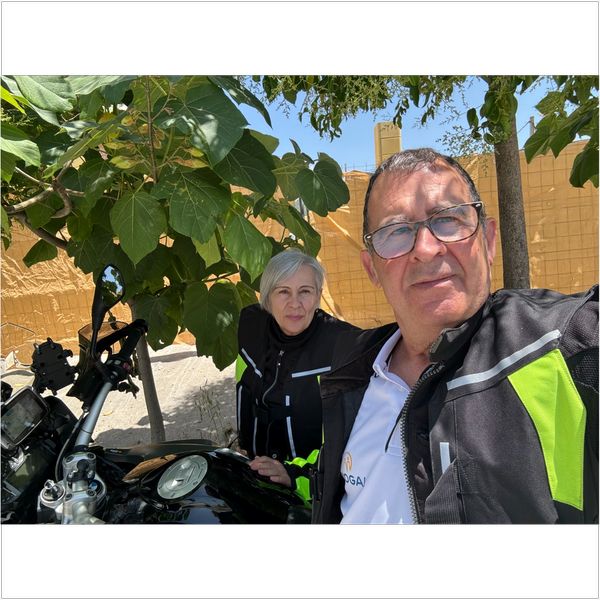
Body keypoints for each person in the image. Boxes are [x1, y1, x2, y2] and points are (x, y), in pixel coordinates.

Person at [311, 148, 598, 524]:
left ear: (488, 241)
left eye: (447, 219)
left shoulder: (563, 345)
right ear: (372, 269)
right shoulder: (353, 374)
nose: (426, 249)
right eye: (396, 231)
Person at [235, 249, 358, 500]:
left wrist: (295, 475)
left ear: (318, 296)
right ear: (267, 297)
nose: (295, 303)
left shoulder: (343, 347)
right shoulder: (251, 326)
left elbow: (352, 442)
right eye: (283, 292)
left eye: (305, 291)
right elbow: (244, 386)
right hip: (254, 477)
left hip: (313, 494)